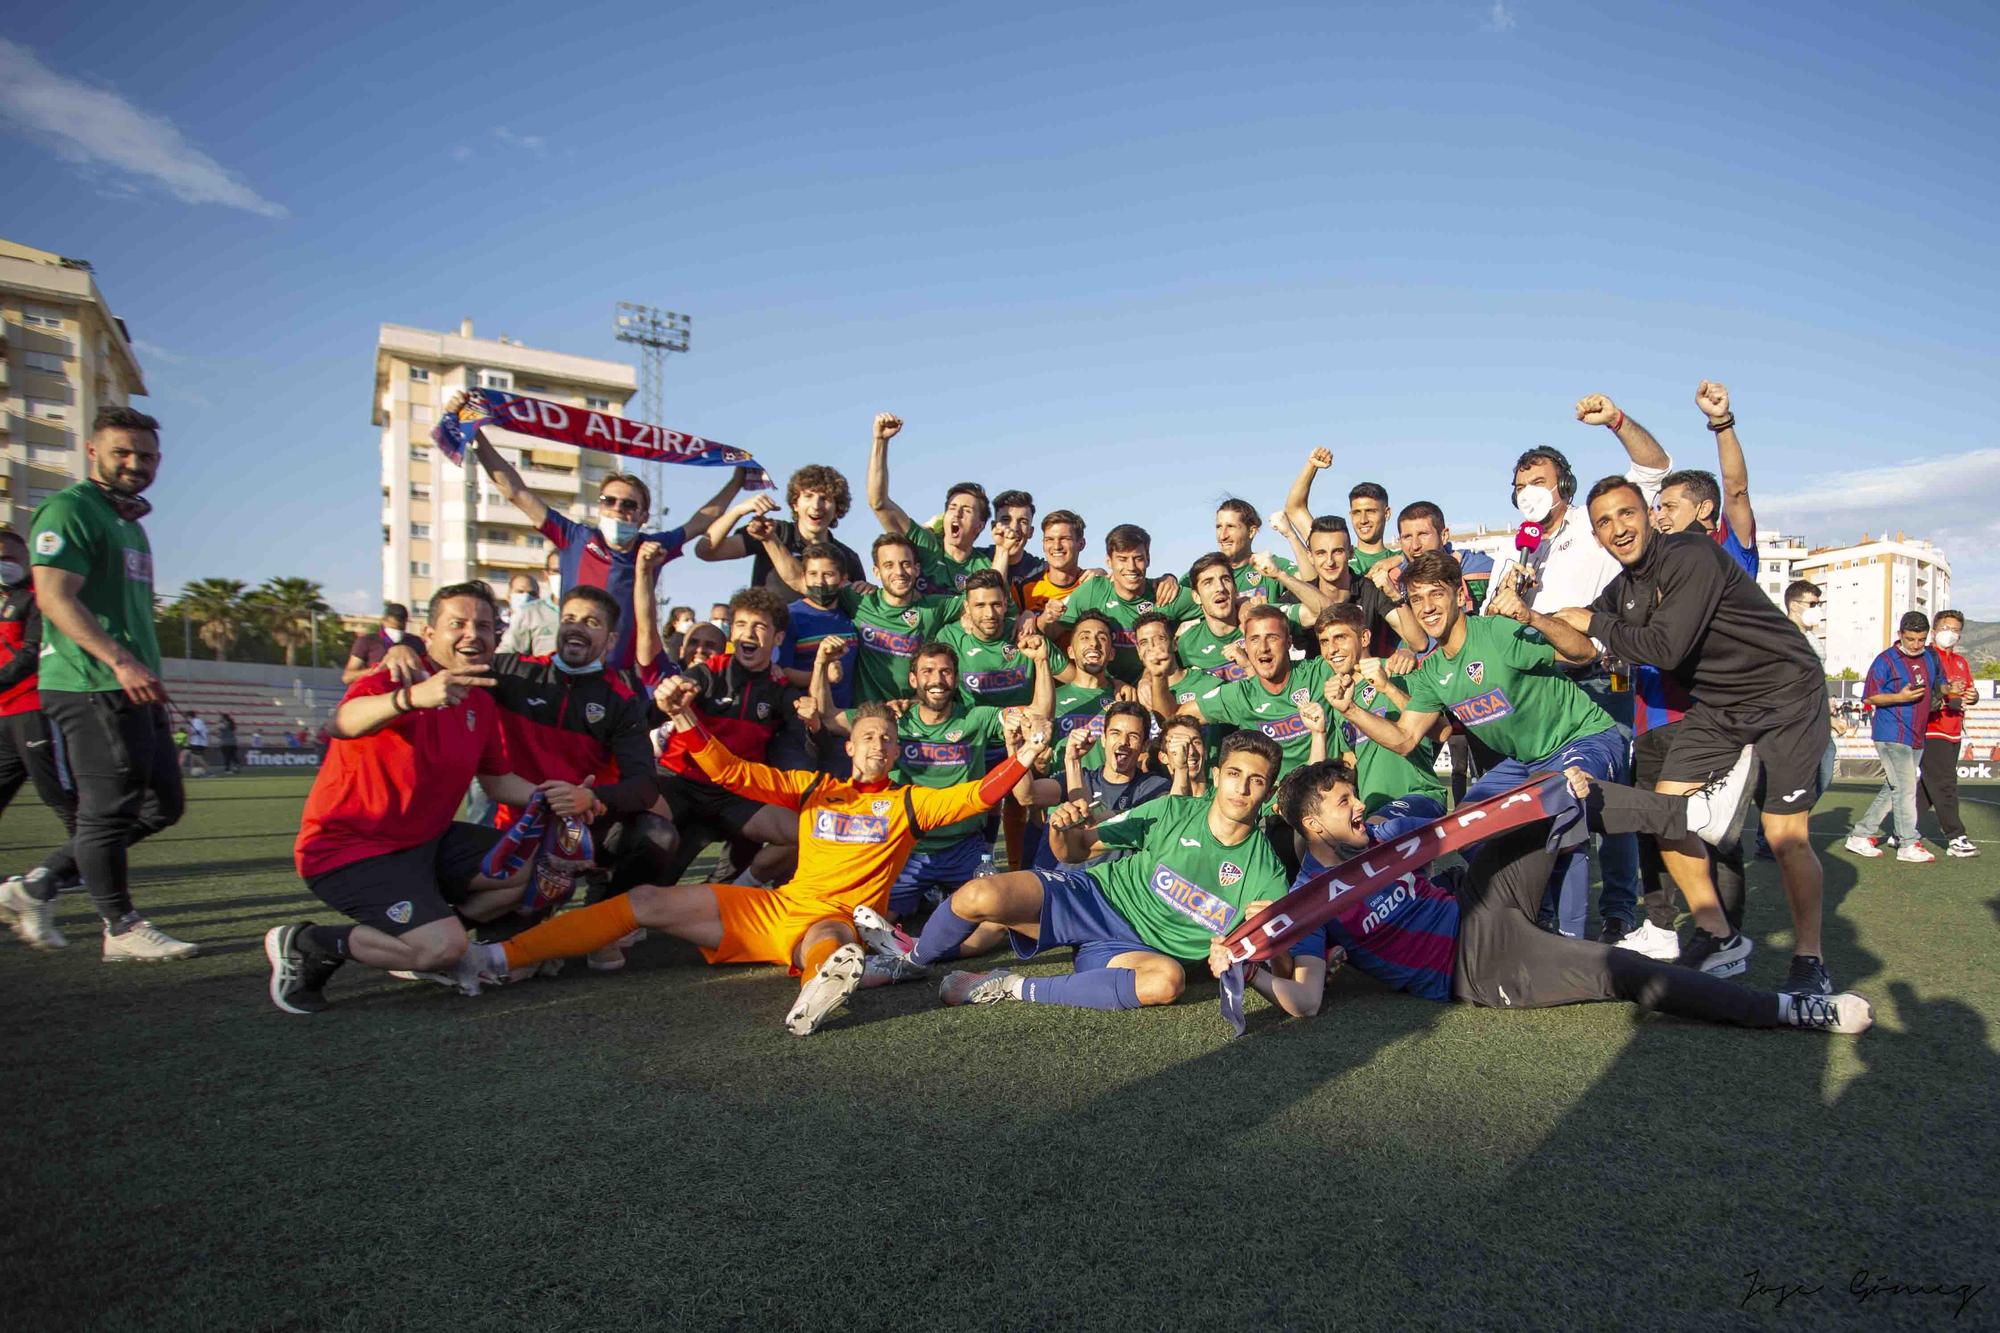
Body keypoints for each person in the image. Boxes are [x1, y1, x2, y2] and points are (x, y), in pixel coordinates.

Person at [447, 701, 1049, 1035]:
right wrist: (687, 721)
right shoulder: (814, 788)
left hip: (833, 919)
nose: (876, 746)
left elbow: (978, 795)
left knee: (832, 942)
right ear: (850, 746)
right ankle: (491, 961)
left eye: (887, 740)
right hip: (771, 908)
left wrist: (1024, 754)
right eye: (867, 737)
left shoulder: (908, 803)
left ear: (896, 751)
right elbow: (735, 774)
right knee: (648, 902)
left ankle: (827, 983)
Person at [1266, 760, 1871, 1033]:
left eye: (1354, 796)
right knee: (1626, 972)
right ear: (1313, 826)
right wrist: (1255, 977)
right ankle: (1787, 1010)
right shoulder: (1312, 901)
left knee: (1554, 792)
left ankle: (1695, 815)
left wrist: (1554, 791)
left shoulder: (1382, 835)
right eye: (1344, 804)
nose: (1360, 807)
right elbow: (1307, 1001)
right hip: (1476, 965)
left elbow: (1456, 825)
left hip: (1477, 899)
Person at [1552, 475, 1836, 995]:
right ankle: (1718, 937)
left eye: (1626, 513)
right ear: (1596, 536)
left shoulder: (1690, 556)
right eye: (1604, 522)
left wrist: (1592, 621)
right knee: (1664, 810)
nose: (1618, 528)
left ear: (1648, 514)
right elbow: (1579, 639)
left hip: (1787, 694)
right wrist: (1526, 619)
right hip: (1723, 706)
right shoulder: (1623, 588)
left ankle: (1810, 959)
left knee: (1784, 837)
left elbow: (1664, 648)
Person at [262, 583, 582, 1014]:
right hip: (349, 848)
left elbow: (498, 781)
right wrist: (410, 698)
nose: (473, 634)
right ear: (428, 635)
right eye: (458, 624)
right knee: (443, 949)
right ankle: (308, 942)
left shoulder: (481, 701)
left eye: (484, 626)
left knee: (543, 868)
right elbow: (341, 722)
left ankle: (428, 937)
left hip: (427, 842)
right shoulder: (399, 676)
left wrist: (559, 796)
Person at [911, 731, 1323, 1016]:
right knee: (976, 897)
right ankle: (909, 962)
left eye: (1256, 781)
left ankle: (1010, 985)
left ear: (1268, 794)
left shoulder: (1266, 871)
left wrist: (1269, 937)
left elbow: (1283, 970)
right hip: (1095, 898)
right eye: (1234, 774)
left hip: (1137, 954)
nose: (1242, 789)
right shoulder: (1171, 810)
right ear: (1216, 776)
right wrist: (1062, 828)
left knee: (1167, 983)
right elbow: (1076, 848)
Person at [1335, 552, 1627, 945]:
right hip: (1527, 762)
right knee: (1466, 829)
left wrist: (1534, 618)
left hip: (1584, 737)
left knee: (1563, 801)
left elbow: (1585, 653)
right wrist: (1350, 709)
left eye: (1436, 595)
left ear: (1459, 595)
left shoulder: (1496, 633)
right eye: (1417, 598)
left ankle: (1571, 940)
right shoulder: (1433, 671)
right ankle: (1533, 910)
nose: (1427, 607)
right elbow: (1405, 739)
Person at [26, 406, 195, 960]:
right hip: (88, 680)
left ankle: (39, 884)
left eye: (145, 456)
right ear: (92, 451)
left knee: (162, 805)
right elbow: (54, 597)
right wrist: (121, 662)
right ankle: (120, 927)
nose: (134, 464)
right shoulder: (69, 510)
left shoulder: (127, 523)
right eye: (122, 452)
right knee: (108, 808)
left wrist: (142, 668)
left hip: (131, 684)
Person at [452, 389, 746, 669]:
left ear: (643, 515)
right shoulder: (574, 537)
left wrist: (736, 482)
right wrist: (475, 435)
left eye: (629, 505)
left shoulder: (652, 548)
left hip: (626, 677)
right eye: (610, 501)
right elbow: (516, 492)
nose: (618, 509)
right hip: (572, 668)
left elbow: (700, 520)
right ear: (599, 506)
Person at [811, 636, 1051, 917]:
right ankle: (926, 896)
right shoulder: (893, 721)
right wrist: (821, 663)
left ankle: (937, 902)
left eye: (945, 672)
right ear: (913, 680)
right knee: (872, 918)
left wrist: (1040, 660)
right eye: (927, 672)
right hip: (907, 848)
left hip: (963, 846)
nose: (937, 680)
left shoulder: (976, 719)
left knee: (997, 915)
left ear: (957, 678)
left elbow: (1039, 714)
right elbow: (827, 716)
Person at [0, 527, 81, 949]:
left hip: (33, 710)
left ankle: (79, 866)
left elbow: (34, 652)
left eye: (8, 554)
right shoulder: (5, 600)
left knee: (62, 798)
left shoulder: (39, 594)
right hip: (3, 716)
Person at [1845, 612, 1940, 864]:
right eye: (1910, 639)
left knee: (1893, 788)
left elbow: (1935, 688)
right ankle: (1907, 843)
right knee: (1906, 788)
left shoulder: (1929, 657)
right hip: (1891, 733)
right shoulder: (1885, 661)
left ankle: (1860, 835)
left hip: (1916, 734)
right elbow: (1869, 698)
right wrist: (1900, 697)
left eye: (1921, 639)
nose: (1916, 645)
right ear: (1900, 635)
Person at [1046, 524, 1195, 684]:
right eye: (1122, 559)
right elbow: (1048, 633)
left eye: (1138, 558)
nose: (1131, 567)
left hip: (1155, 688)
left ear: (1148, 559)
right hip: (1108, 692)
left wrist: (1188, 650)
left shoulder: (1164, 593)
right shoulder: (1092, 591)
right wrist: (1079, 680)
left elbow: (1218, 608)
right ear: (1109, 561)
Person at [867, 412, 993, 595]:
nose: (956, 514)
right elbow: (878, 502)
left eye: (966, 510)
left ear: (979, 526)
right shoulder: (925, 546)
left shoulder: (984, 567)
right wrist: (880, 441)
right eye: (952, 508)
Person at [695, 463, 866, 594]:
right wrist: (739, 510)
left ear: (838, 508)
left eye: (825, 498)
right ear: (795, 504)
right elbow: (705, 550)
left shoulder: (847, 557)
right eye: (808, 496)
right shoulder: (773, 531)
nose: (816, 506)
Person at [1916, 610, 1977, 858]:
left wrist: (1973, 697)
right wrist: (1948, 697)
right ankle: (1956, 836)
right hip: (1932, 728)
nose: (1949, 633)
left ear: (1960, 635)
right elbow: (1924, 693)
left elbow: (1969, 690)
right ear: (1934, 630)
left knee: (1928, 788)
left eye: (1954, 629)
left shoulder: (1961, 662)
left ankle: (1901, 831)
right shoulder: (1927, 657)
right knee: (1945, 784)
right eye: (1944, 627)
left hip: (1953, 730)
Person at [1011, 510, 1088, 614]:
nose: (1057, 546)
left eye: (1064, 538)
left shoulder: (1091, 586)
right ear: (1043, 544)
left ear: (1081, 544)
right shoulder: (1023, 590)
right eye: (1050, 539)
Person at [342, 603, 410, 685]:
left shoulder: (415, 642)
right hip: (375, 694)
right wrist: (377, 670)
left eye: (400, 628)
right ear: (384, 621)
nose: (396, 632)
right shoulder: (367, 641)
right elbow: (347, 677)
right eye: (393, 627)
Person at [498, 573, 559, 655]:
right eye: (520, 592)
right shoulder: (496, 625)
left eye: (532, 594)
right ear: (508, 596)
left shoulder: (544, 618)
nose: (526, 596)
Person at [183, 712, 211, 778]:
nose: (186, 719)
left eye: (186, 717)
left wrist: (189, 733)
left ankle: (209, 772)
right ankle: (201, 772)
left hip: (199, 742)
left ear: (189, 716)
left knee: (197, 758)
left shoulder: (196, 721)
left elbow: (196, 731)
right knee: (194, 757)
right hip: (196, 742)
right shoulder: (194, 722)